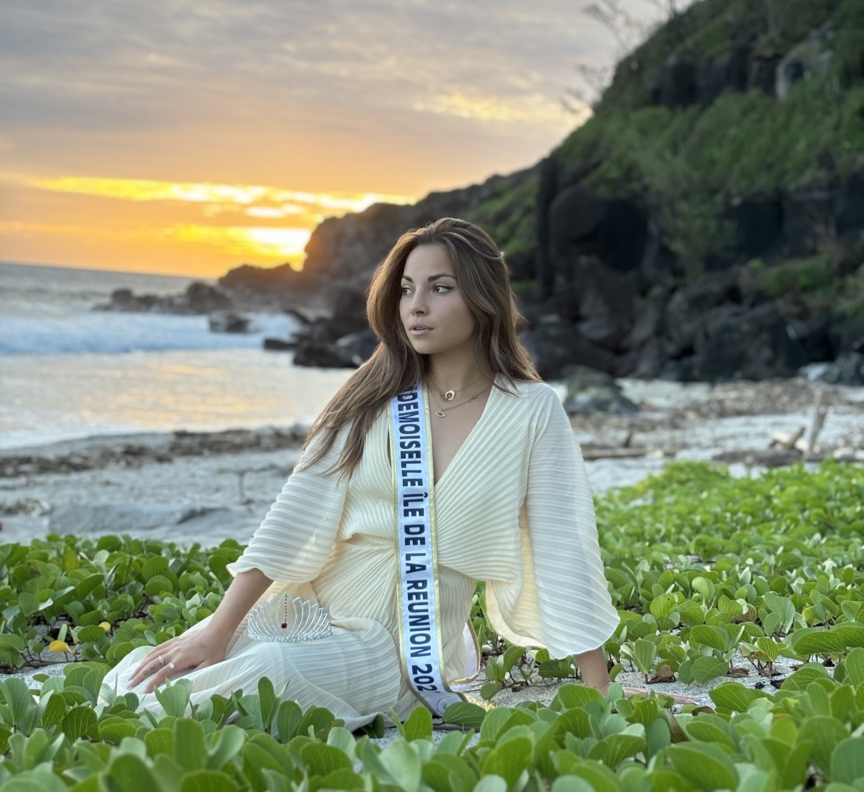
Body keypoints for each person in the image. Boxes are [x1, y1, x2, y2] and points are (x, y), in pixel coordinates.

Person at [102, 218, 620, 728]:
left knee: (269, 674)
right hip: (306, 614)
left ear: (483, 299)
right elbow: (293, 517)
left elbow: (562, 547)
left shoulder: (531, 410)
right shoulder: (371, 395)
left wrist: (598, 689)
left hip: (399, 649)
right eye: (407, 289)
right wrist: (216, 630)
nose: (415, 306)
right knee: (146, 680)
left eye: (440, 289)